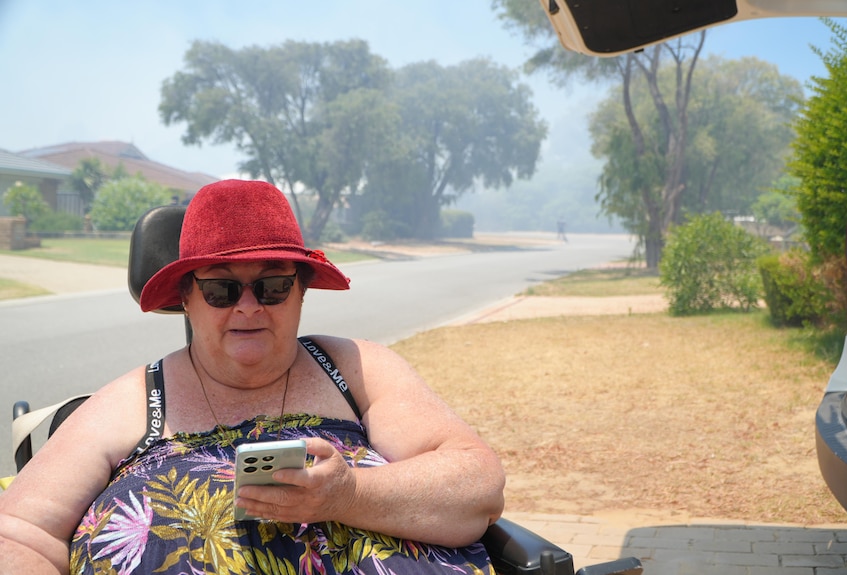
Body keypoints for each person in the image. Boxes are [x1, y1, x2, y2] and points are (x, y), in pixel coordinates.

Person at [0, 179, 506, 574]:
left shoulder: (357, 371)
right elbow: (20, 532)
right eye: (221, 290)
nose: (248, 307)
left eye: (272, 287)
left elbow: (479, 488)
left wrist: (351, 495)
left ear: (302, 291)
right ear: (186, 297)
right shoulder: (132, 402)